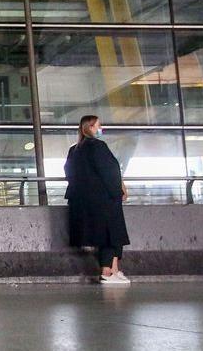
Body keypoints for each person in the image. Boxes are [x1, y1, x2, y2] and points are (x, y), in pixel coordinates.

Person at [65, 115, 131, 285]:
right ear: (90, 127)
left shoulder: (75, 150)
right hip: (105, 199)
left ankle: (114, 269)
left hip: (85, 202)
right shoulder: (98, 146)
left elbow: (70, 172)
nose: (100, 129)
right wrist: (118, 190)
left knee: (105, 235)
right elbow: (110, 171)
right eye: (98, 126)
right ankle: (108, 271)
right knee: (112, 233)